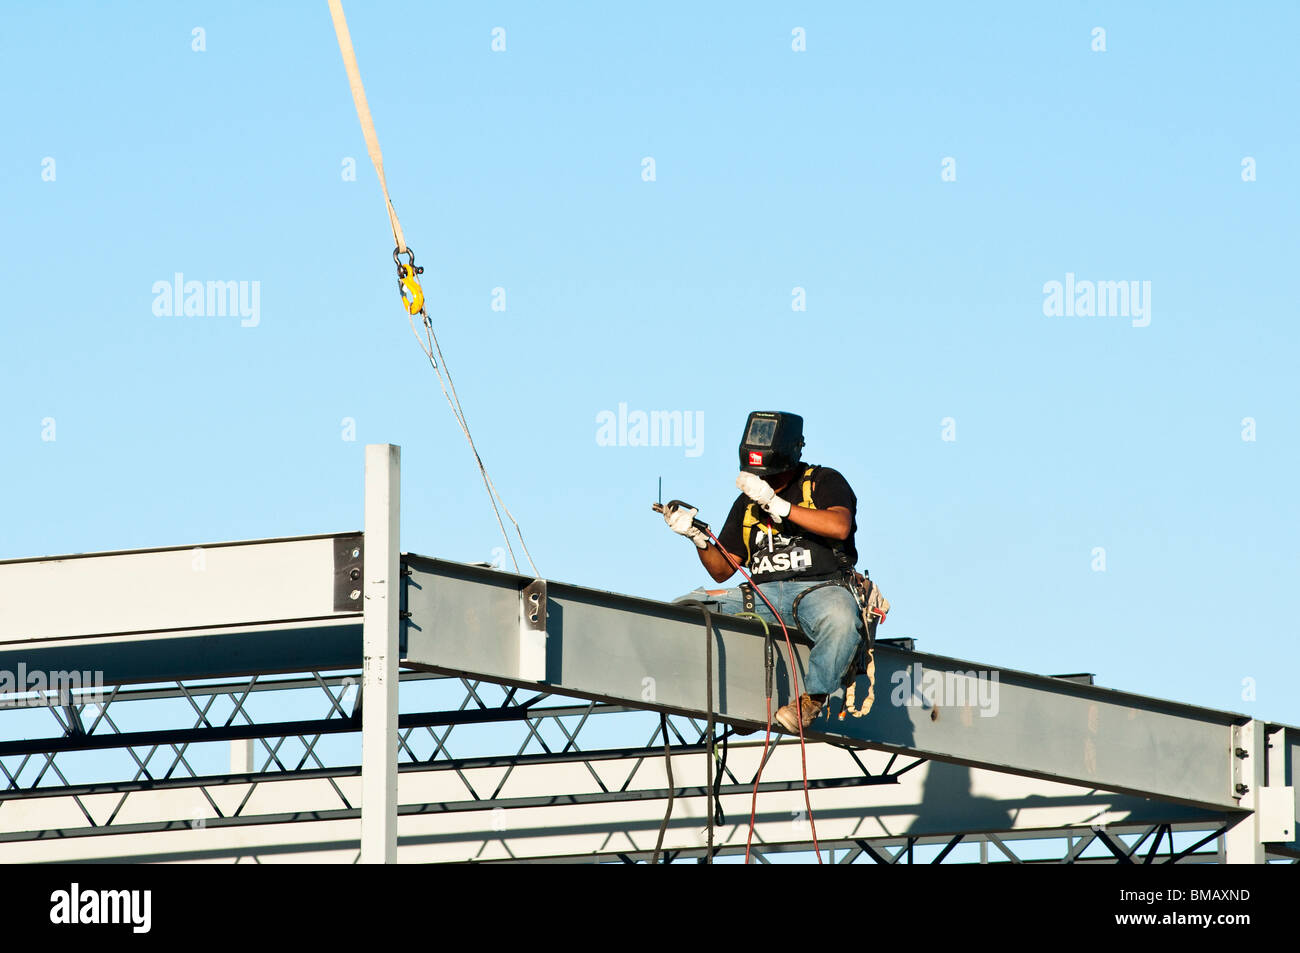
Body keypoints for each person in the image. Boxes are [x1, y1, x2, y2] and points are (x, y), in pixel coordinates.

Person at [663, 411, 865, 733]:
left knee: (841, 619)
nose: (765, 482)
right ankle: (732, 699)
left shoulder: (823, 482)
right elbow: (722, 570)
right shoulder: (747, 503)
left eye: (772, 476)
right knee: (689, 607)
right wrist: (697, 538)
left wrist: (780, 506)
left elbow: (839, 526)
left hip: (819, 590)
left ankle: (810, 701)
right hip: (760, 597)